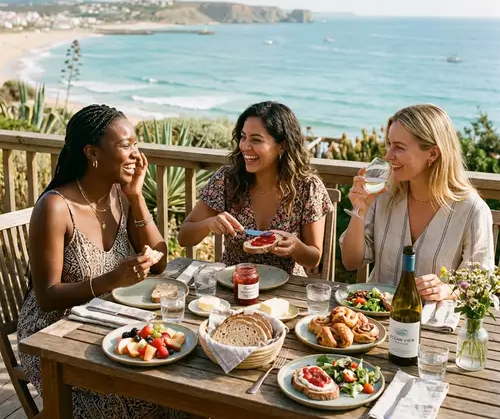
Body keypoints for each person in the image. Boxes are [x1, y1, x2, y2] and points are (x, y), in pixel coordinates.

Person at [17, 104, 182, 419]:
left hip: (106, 324)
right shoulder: (55, 208)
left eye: (136, 144)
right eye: (125, 145)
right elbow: (47, 296)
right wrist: (112, 279)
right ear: (92, 153)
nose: (136, 154)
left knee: (176, 391)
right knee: (136, 402)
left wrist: (136, 196)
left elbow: (159, 263)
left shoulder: (120, 196)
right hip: (52, 337)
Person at [341, 104, 495, 301]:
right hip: (374, 318)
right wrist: (359, 211)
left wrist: (448, 291)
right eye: (389, 144)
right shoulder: (384, 194)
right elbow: (351, 262)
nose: (388, 155)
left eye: (399, 147)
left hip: (432, 324)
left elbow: (481, 284)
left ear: (433, 153)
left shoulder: (472, 210)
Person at [178, 101, 333, 275]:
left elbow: (313, 259)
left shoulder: (308, 187)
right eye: (243, 137)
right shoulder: (227, 179)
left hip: (286, 286)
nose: (244, 146)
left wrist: (295, 247)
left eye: (256, 140)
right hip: (232, 280)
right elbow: (184, 237)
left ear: (282, 145)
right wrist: (208, 224)